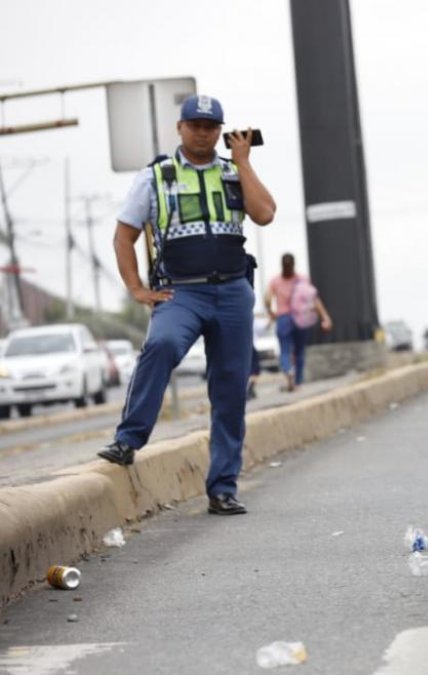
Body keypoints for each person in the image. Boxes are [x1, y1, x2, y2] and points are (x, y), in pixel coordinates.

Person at [98, 94, 276, 516]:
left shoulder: (235, 172)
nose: (203, 132)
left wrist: (244, 161)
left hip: (232, 291)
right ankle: (128, 440)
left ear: (221, 131)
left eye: (211, 126)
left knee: (230, 389)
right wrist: (136, 288)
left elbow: (265, 214)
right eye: (195, 125)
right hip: (182, 293)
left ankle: (223, 487)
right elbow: (124, 236)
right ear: (180, 128)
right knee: (160, 346)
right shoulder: (155, 177)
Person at [264, 253, 332, 391]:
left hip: (283, 318)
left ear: (281, 265)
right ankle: (298, 382)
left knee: (284, 349)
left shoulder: (275, 281)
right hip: (301, 318)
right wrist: (325, 316)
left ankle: (288, 369)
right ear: (294, 264)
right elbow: (314, 299)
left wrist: (271, 312)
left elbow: (267, 298)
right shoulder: (302, 279)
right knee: (299, 351)